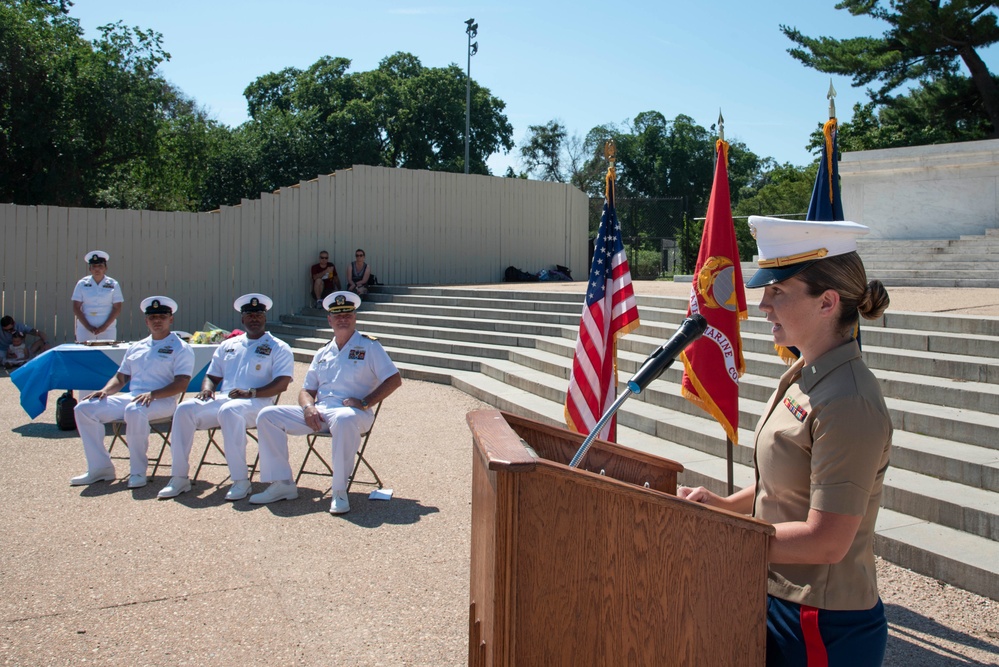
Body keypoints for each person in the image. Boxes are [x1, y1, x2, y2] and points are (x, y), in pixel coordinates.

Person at [677, 216, 892, 667]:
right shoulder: (807, 373)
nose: (762, 305)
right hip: (780, 595)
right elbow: (787, 481)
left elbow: (827, 540)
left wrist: (717, 534)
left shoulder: (848, 400)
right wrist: (721, 505)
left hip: (821, 622)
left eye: (778, 291)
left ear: (827, 302)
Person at [251, 291, 402, 514]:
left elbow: (394, 379)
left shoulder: (369, 346)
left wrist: (365, 402)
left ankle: (339, 491)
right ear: (329, 319)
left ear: (355, 317)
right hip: (320, 413)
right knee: (267, 416)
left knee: (343, 418)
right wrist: (308, 407)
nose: (343, 319)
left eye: (347, 314)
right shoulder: (322, 352)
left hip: (353, 414)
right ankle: (282, 483)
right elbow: (306, 390)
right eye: (337, 315)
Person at [158, 293, 294, 501]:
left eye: (258, 314)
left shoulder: (278, 346)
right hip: (225, 398)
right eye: (249, 315)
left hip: (258, 402)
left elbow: (282, 383)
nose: (254, 318)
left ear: (265, 317)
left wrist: (252, 392)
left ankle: (240, 481)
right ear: (242, 319)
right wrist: (207, 388)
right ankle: (179, 477)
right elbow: (212, 375)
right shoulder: (228, 345)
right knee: (184, 409)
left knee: (229, 411)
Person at [70, 297, 194, 490]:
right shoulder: (136, 346)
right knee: (84, 408)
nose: (157, 320)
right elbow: (120, 378)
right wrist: (104, 391)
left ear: (171, 319)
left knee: (135, 410)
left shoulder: (180, 347)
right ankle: (100, 467)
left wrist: (153, 394)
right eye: (152, 317)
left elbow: (181, 383)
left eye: (162, 316)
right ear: (146, 321)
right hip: (134, 398)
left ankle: (138, 471)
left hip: (162, 401)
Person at [72, 250, 124, 342]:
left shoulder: (113, 284)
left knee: (107, 354)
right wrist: (88, 327)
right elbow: (76, 307)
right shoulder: (82, 284)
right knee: (84, 354)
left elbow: (117, 308)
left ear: (105, 268)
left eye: (100, 266)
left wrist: (104, 327)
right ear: (90, 269)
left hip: (107, 328)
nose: (97, 269)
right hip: (85, 328)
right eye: (94, 266)